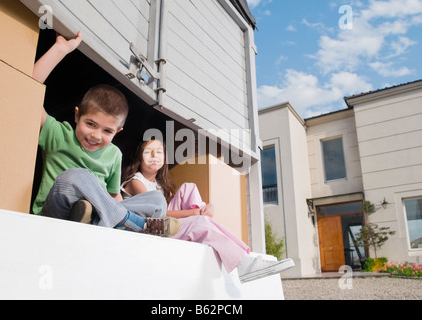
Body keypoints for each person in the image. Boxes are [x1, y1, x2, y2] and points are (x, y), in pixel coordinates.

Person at [31, 32, 179, 237]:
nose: (96, 135)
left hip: (97, 216)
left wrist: (116, 208)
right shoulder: (58, 133)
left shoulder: (114, 155)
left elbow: (114, 195)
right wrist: (60, 49)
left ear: (118, 131)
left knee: (157, 200)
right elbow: (28, 90)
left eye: (107, 131)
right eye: (90, 124)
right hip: (56, 212)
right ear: (77, 116)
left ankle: (100, 220)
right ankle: (131, 224)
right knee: (75, 176)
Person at [121, 139, 295, 283]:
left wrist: (206, 207)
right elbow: (158, 214)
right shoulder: (136, 182)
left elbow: (171, 210)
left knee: (189, 187)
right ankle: (242, 262)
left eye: (159, 152)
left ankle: (244, 255)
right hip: (149, 228)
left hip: (165, 225)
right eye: (148, 152)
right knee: (198, 220)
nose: (154, 156)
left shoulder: (160, 186)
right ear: (139, 157)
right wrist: (195, 214)